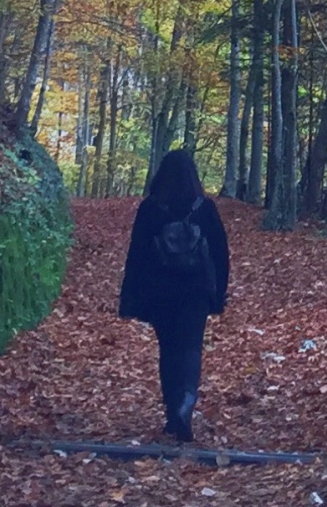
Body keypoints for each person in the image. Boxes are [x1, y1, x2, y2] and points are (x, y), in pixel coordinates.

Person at [118, 148, 230, 441]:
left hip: (160, 292)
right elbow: (220, 254)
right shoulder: (205, 209)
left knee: (168, 350)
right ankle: (185, 406)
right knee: (190, 347)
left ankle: (172, 412)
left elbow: (137, 255)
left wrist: (130, 297)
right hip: (195, 292)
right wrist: (218, 294)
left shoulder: (151, 209)